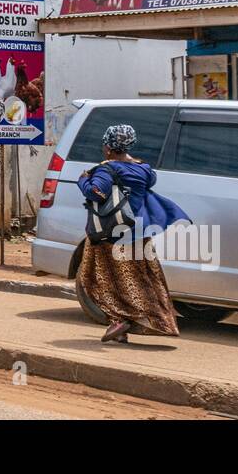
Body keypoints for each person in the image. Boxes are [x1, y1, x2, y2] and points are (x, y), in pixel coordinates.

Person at [77, 124, 189, 343]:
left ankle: (120, 319)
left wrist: (83, 179)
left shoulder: (107, 169)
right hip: (138, 231)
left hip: (111, 234)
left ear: (108, 147)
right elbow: (151, 181)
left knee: (97, 278)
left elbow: (96, 192)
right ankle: (144, 323)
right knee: (143, 278)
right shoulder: (144, 168)